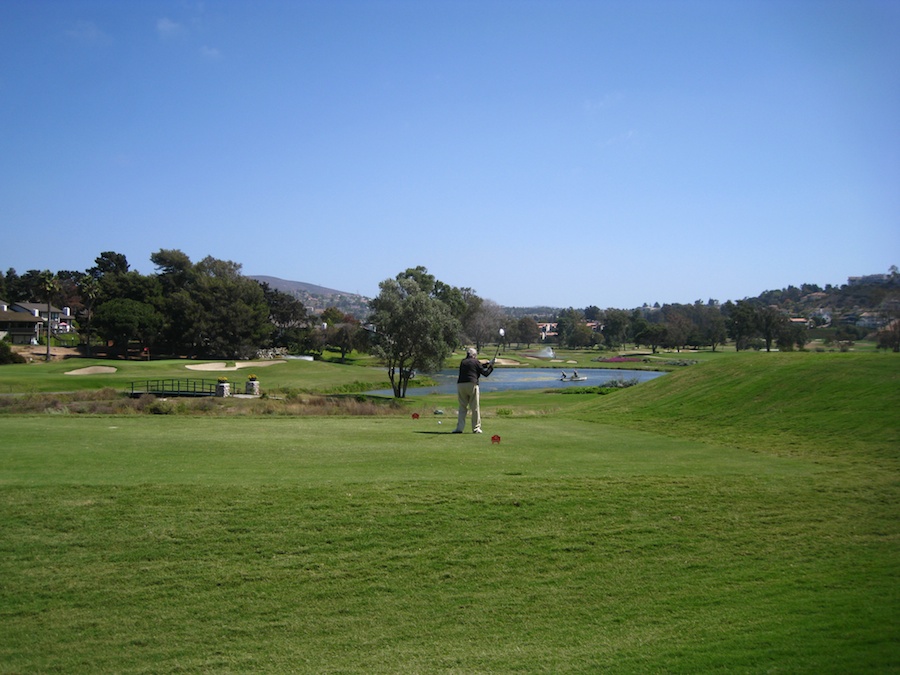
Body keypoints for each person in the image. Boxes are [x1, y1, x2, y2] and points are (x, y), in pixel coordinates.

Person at [453, 347, 494, 434]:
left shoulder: (463, 362)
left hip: (461, 385)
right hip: (472, 385)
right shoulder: (476, 362)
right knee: (474, 407)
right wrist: (491, 367)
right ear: (474, 355)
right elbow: (485, 373)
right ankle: (476, 428)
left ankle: (459, 428)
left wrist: (487, 363)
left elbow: (475, 367)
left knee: (462, 408)